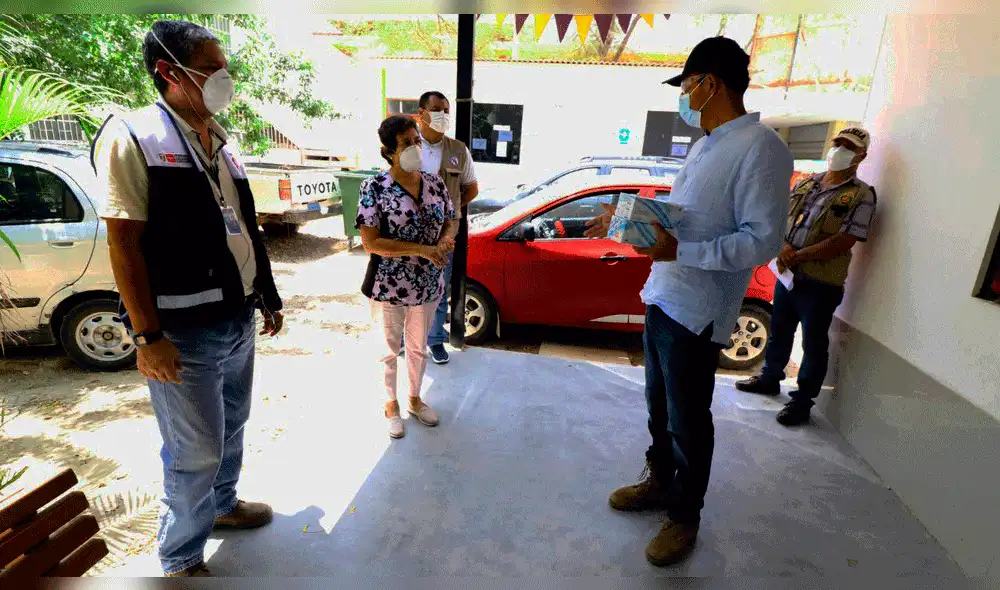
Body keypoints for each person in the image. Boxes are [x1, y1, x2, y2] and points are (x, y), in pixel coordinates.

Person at [585, 36, 793, 566]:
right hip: (663, 297)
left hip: (699, 311)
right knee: (658, 408)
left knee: (689, 420)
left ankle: (684, 517)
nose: (684, 96)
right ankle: (658, 483)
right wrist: (630, 221)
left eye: (686, 85)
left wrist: (686, 248)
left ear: (709, 84)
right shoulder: (705, 144)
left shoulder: (762, 148)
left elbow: (762, 239)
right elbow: (686, 217)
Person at [92, 20, 284, 577]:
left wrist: (264, 295)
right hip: (182, 328)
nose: (224, 78)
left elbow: (243, 226)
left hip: (236, 314)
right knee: (193, 449)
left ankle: (221, 506)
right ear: (169, 72)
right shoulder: (135, 136)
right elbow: (123, 245)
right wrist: (148, 336)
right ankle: (178, 558)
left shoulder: (218, 138)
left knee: (233, 422)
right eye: (212, 68)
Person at [736, 127, 877, 426]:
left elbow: (845, 240)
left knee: (812, 344)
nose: (838, 149)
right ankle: (769, 378)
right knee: (779, 330)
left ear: (861, 156)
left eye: (848, 146)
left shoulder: (861, 195)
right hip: (787, 274)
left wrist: (797, 255)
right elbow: (781, 219)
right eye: (837, 142)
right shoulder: (807, 183)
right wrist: (784, 246)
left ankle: (801, 402)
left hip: (820, 283)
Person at [357, 114, 457, 439]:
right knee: (388, 350)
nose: (415, 147)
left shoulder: (435, 183)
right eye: (405, 143)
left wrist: (443, 239)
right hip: (389, 286)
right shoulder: (374, 188)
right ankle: (391, 405)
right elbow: (371, 242)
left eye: (416, 140)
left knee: (418, 348)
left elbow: (451, 219)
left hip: (428, 285)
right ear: (388, 151)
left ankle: (414, 399)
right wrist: (421, 249)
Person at [414, 90, 479, 365]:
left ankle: (435, 340)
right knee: (408, 286)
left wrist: (450, 212)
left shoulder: (457, 150)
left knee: (438, 289)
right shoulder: (407, 145)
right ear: (422, 114)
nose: (443, 116)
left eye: (446, 111)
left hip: (444, 234)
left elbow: (472, 189)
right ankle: (409, 340)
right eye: (437, 110)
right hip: (410, 231)